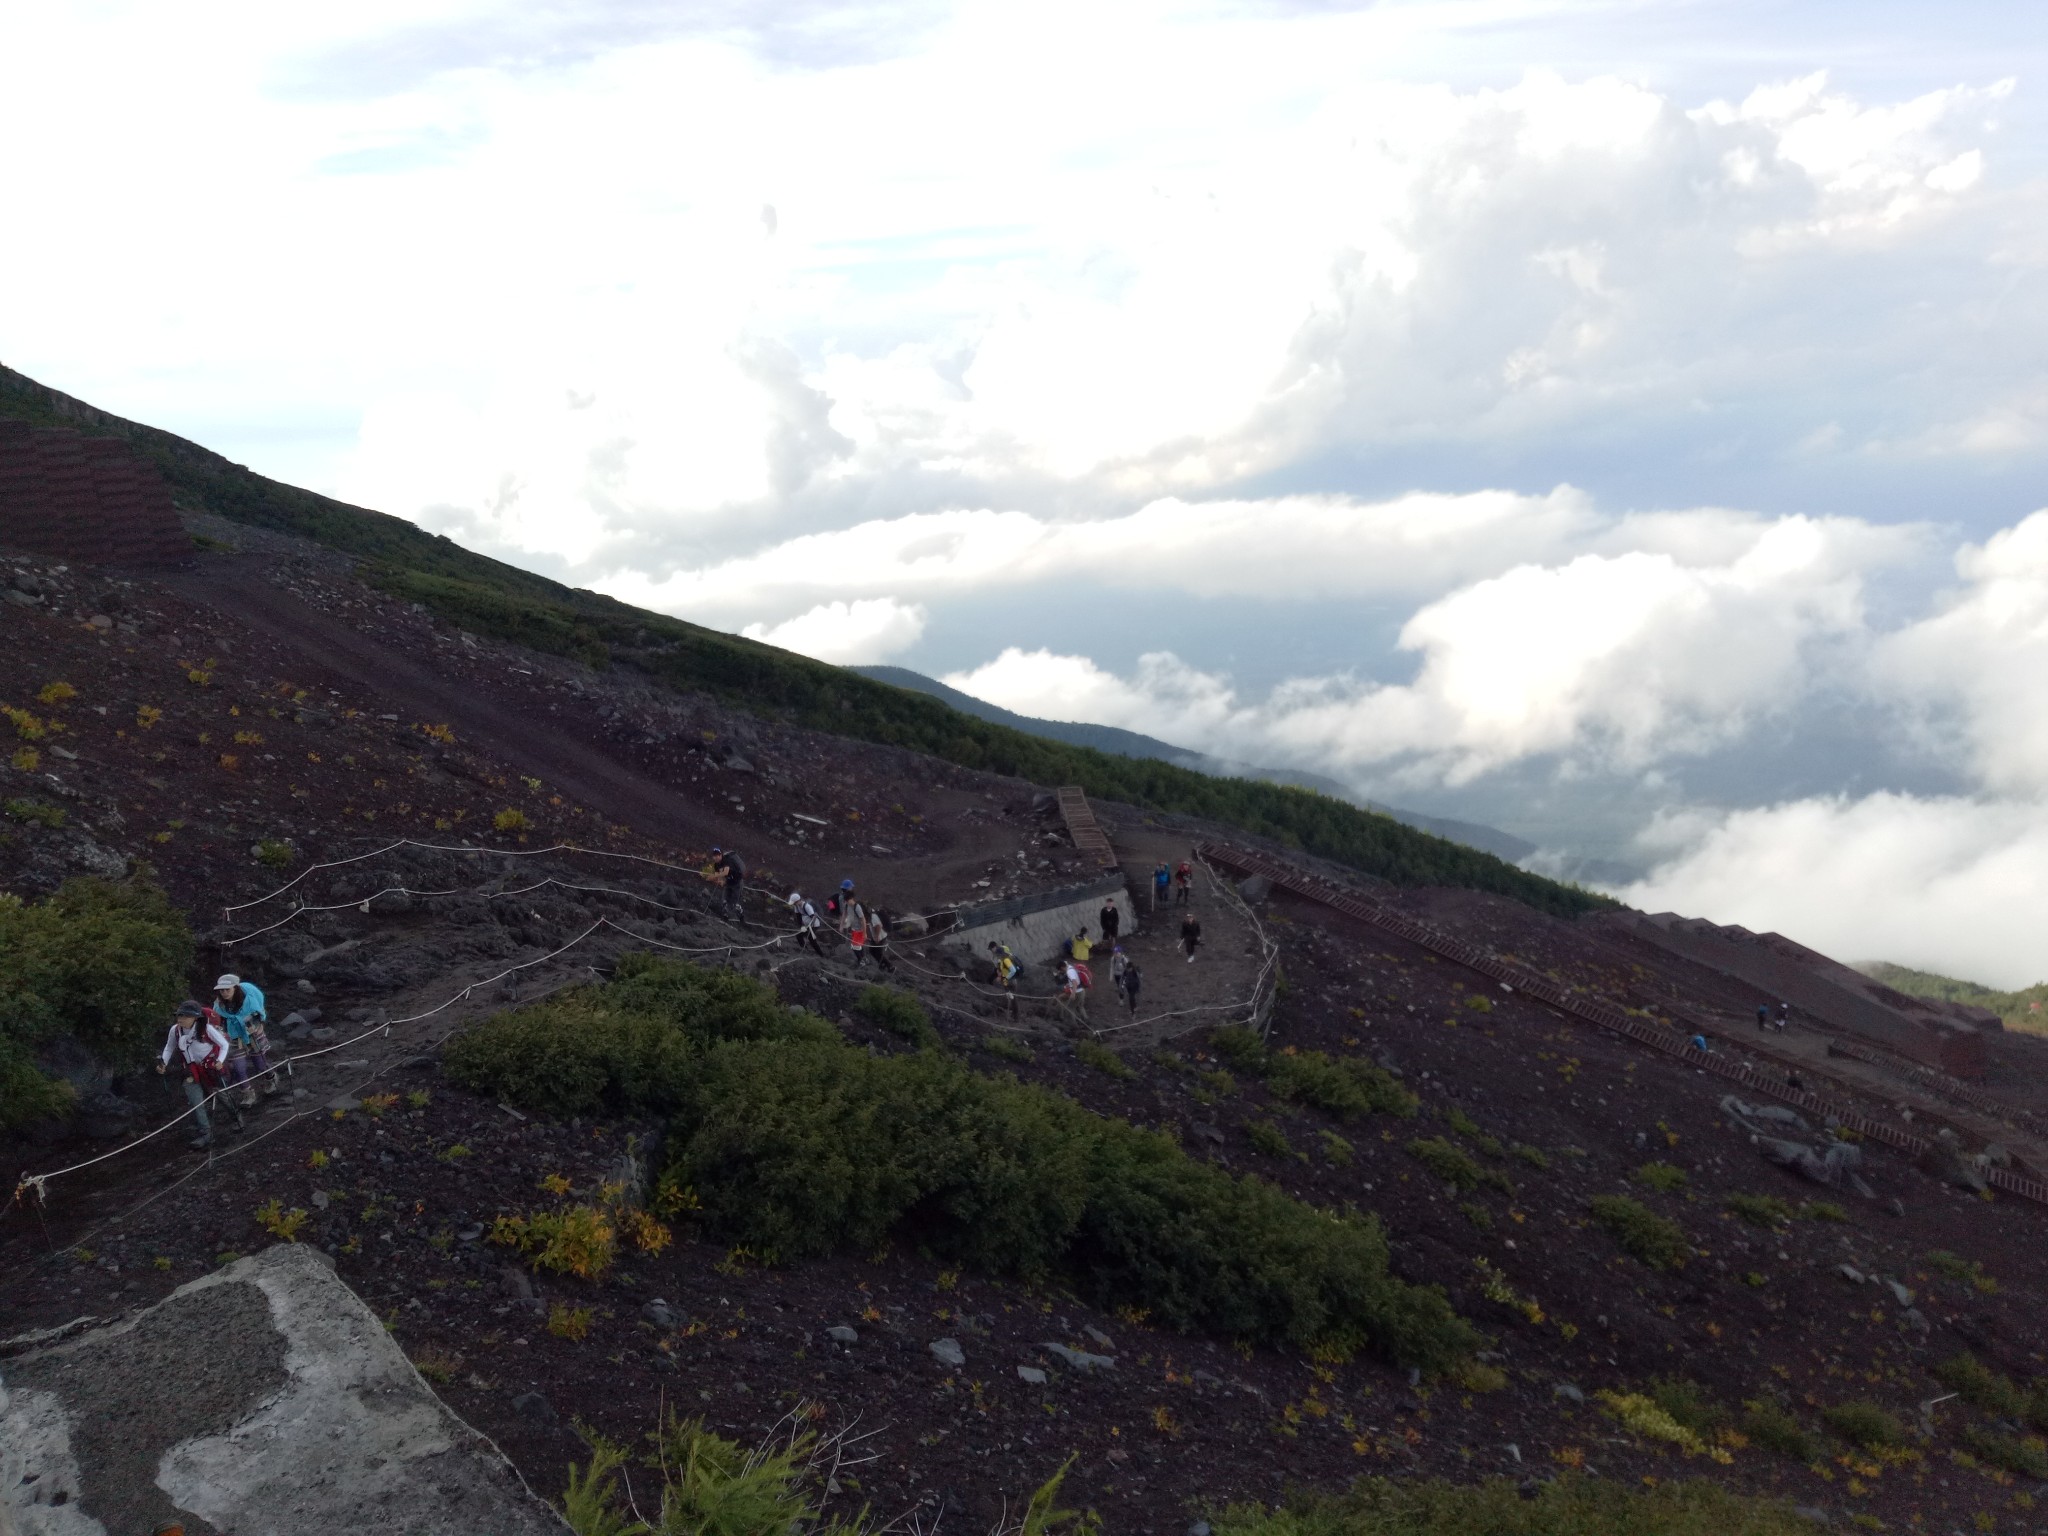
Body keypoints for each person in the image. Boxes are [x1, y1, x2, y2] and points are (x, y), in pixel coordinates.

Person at [158, 1000, 231, 1149]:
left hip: (209, 1067)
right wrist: (163, 1063)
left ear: (195, 1018)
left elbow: (224, 1044)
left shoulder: (206, 1029)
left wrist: (220, 1061)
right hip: (190, 1070)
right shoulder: (175, 1031)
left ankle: (235, 1116)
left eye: (185, 1016)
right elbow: (169, 1047)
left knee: (220, 1094)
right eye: (179, 1016)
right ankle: (206, 1133)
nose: (180, 1019)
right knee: (196, 1101)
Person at [213, 972, 274, 1108]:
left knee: (260, 1064)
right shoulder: (218, 1006)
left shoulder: (250, 999)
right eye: (221, 990)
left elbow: (259, 1013)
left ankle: (270, 1078)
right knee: (239, 1068)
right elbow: (217, 1022)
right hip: (233, 1036)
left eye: (227, 989)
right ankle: (248, 1094)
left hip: (252, 1031)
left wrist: (260, 1025)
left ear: (235, 988)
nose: (224, 993)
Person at [710, 847, 747, 923]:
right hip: (729, 883)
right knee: (724, 901)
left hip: (737, 883)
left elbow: (725, 872)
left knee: (734, 903)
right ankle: (725, 917)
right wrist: (720, 881)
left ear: (721, 855)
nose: (716, 857)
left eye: (718, 855)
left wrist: (714, 876)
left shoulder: (727, 861)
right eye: (714, 855)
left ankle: (741, 916)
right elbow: (720, 876)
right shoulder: (716, 865)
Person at [787, 891, 827, 956]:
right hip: (806, 925)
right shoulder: (796, 907)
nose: (793, 904)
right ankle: (805, 950)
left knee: (811, 938)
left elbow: (813, 917)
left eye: (794, 903)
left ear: (798, 901)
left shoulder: (807, 906)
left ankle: (821, 954)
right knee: (799, 936)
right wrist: (801, 927)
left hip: (814, 925)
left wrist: (809, 928)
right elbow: (798, 917)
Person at [866, 908, 897, 974]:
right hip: (877, 937)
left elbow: (878, 926)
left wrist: (877, 937)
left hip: (880, 937)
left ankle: (890, 966)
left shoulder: (873, 916)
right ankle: (882, 964)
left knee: (878, 953)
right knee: (872, 950)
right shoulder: (872, 916)